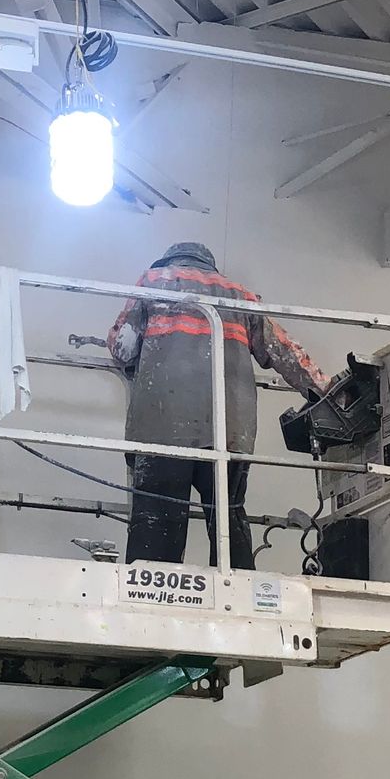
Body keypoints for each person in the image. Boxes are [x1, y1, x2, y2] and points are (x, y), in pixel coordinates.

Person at [106, 240, 329, 570]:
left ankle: (150, 591)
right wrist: (326, 390)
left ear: (170, 260)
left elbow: (122, 348)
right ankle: (237, 583)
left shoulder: (155, 281)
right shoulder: (239, 294)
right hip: (230, 432)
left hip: (163, 429)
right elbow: (285, 352)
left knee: (158, 524)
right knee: (229, 517)